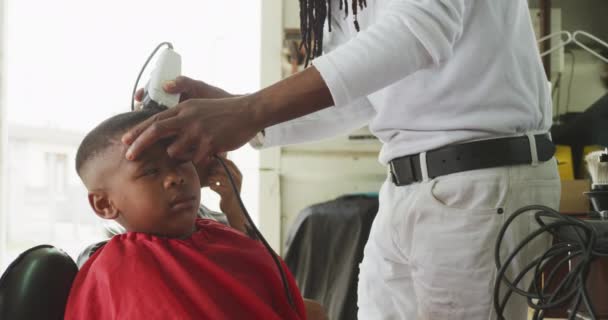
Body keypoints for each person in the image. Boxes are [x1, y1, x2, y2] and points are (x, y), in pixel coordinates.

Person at [122, 1, 561, 318]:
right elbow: (359, 92)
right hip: (410, 188)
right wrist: (244, 113)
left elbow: (417, 31)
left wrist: (249, 109)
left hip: (477, 183)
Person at [64, 106, 308, 320]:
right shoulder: (121, 270)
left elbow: (274, 289)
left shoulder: (222, 237)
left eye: (182, 161)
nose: (175, 178)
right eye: (150, 172)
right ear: (104, 204)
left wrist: (233, 207)